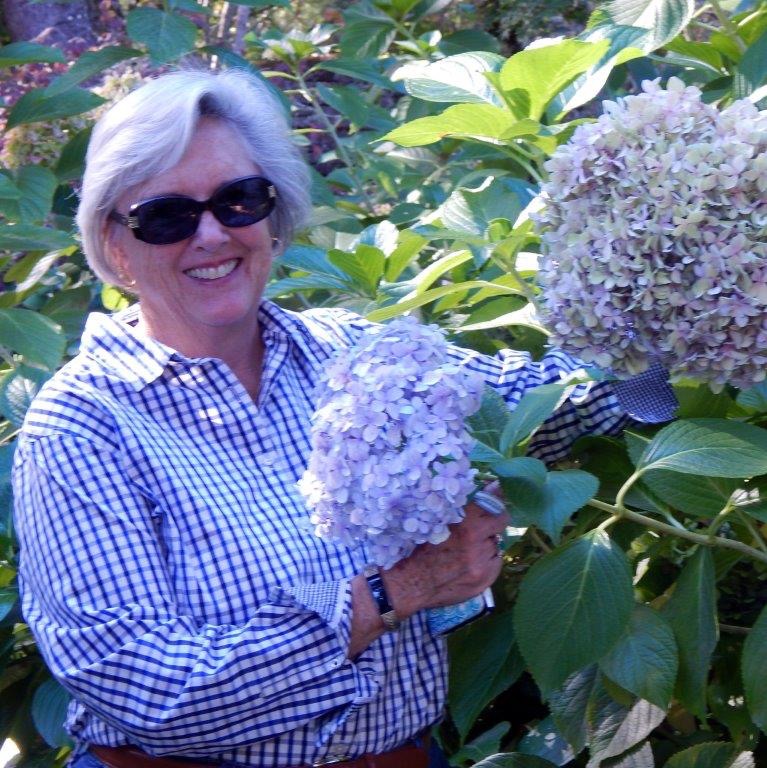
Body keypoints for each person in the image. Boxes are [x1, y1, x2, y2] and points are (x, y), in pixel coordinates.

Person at [12, 68, 675, 768]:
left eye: (239, 200)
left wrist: (696, 325)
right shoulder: (80, 427)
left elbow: (542, 401)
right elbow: (151, 690)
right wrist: (399, 591)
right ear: (116, 247)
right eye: (166, 216)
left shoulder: (352, 351)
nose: (211, 235)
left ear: (273, 217)